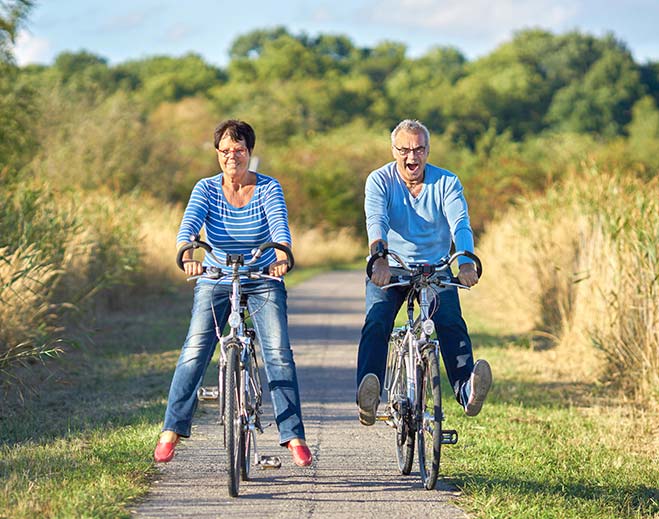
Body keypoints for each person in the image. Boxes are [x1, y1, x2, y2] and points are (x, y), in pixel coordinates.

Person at [154, 119, 312, 467]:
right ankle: (172, 429)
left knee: (278, 352)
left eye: (238, 150)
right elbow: (189, 227)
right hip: (216, 276)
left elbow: (279, 227)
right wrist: (189, 255)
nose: (231, 157)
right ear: (217, 154)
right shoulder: (205, 189)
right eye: (224, 151)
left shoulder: (270, 188)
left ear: (250, 153)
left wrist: (282, 256)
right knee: (195, 349)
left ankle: (293, 434)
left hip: (261, 276)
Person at [356, 119, 492, 426]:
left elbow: (460, 224)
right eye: (404, 149)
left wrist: (466, 262)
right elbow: (375, 220)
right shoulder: (379, 181)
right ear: (394, 151)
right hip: (390, 267)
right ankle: (368, 397)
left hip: (435, 267)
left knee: (450, 323)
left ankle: (467, 391)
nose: (411, 157)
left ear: (428, 151)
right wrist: (378, 258)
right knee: (376, 321)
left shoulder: (447, 182)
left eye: (418, 149)